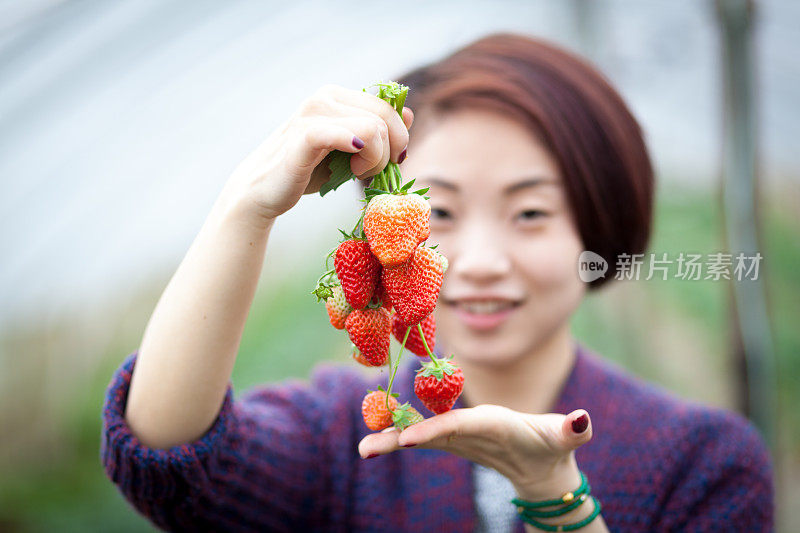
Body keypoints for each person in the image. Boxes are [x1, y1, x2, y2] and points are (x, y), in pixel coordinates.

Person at [101, 33, 774, 532]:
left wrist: (554, 491)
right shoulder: (346, 433)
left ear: (598, 226)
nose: (479, 258)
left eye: (531, 212)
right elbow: (171, 465)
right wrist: (246, 205)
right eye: (440, 211)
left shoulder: (702, 462)